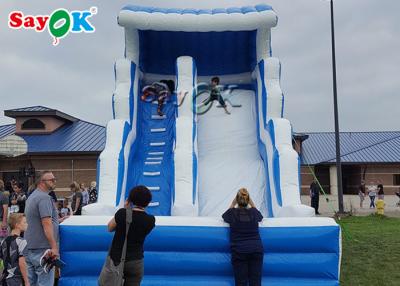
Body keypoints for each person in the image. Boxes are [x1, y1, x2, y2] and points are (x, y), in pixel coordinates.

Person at [106, 185, 155, 285]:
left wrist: (125, 209)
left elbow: (110, 228)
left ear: (130, 199)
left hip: (117, 259)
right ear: (148, 202)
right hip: (136, 261)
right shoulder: (150, 220)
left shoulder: (122, 213)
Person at [222, 188, 264, 286]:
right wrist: (251, 203)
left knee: (241, 282)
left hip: (239, 251)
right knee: (256, 282)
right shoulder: (253, 212)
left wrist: (233, 203)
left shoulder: (232, 213)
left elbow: (224, 216)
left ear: (237, 200)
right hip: (256, 249)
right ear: (248, 200)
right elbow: (260, 216)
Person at [24, 171, 59, 286]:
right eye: (51, 180)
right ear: (41, 182)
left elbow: (36, 220)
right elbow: (46, 224)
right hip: (43, 249)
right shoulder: (44, 198)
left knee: (32, 283)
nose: (54, 181)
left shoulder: (32, 196)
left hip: (30, 247)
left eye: (55, 179)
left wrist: (57, 220)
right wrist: (54, 247)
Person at [0, 213, 30, 286]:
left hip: (4, 279)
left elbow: (1, 260)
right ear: (17, 225)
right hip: (16, 280)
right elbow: (22, 262)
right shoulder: (22, 241)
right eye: (24, 222)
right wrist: (27, 281)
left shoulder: (3, 241)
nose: (27, 224)